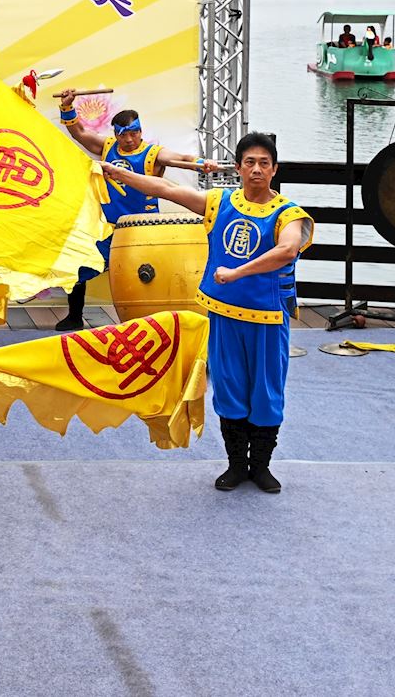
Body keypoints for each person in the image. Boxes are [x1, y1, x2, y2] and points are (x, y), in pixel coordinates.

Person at [101, 132, 313, 494]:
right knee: (229, 388)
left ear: (274, 169)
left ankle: (261, 466)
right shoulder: (219, 203)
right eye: (250, 162)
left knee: (266, 392)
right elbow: (166, 189)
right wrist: (120, 174)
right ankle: (236, 465)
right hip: (225, 315)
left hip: (266, 319)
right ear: (239, 168)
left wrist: (237, 272)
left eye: (264, 163)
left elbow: (287, 250)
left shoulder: (288, 213)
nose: (257, 169)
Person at [54, 92, 221, 330]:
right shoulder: (107, 147)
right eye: (123, 134)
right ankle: (74, 316)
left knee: (147, 277)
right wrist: (67, 106)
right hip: (107, 227)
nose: (129, 139)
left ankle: (153, 324)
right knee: (78, 267)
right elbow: (80, 132)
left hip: (142, 232)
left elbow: (181, 158)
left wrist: (201, 163)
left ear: (141, 131)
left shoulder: (153, 154)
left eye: (134, 133)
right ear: (115, 135)